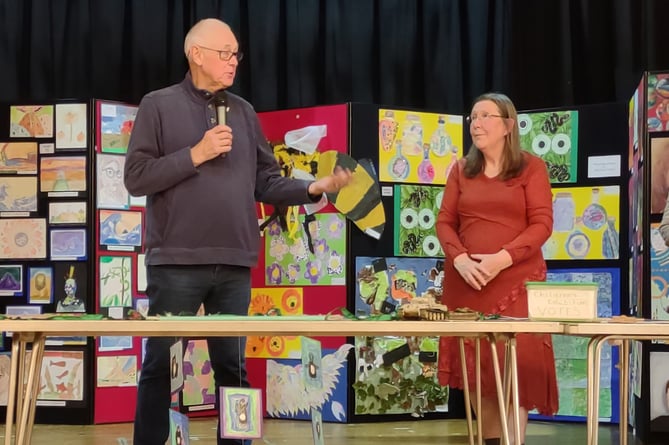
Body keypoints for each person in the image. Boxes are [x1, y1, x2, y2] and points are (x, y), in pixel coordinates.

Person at [124, 18, 352, 445]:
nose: (233, 62)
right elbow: (135, 177)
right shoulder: (158, 104)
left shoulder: (244, 112)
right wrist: (196, 152)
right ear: (196, 54)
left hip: (234, 260)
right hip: (176, 261)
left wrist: (313, 188)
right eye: (224, 53)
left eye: (236, 55)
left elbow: (265, 182)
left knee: (234, 368)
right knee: (160, 364)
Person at [435, 92, 558, 445]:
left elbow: (542, 224)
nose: (476, 123)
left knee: (513, 372)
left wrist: (501, 258)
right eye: (473, 117)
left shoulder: (531, 168)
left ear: (507, 125)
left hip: (515, 283)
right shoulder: (461, 170)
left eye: (485, 116)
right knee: (479, 378)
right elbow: (444, 223)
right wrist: (459, 258)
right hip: (467, 285)